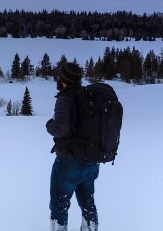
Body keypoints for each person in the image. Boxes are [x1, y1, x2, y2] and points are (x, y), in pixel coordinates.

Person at [46, 62, 99, 231]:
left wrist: (49, 125)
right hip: (91, 162)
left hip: (69, 163)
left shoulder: (66, 97)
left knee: (59, 206)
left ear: (62, 79)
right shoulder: (87, 95)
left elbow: (60, 129)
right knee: (88, 203)